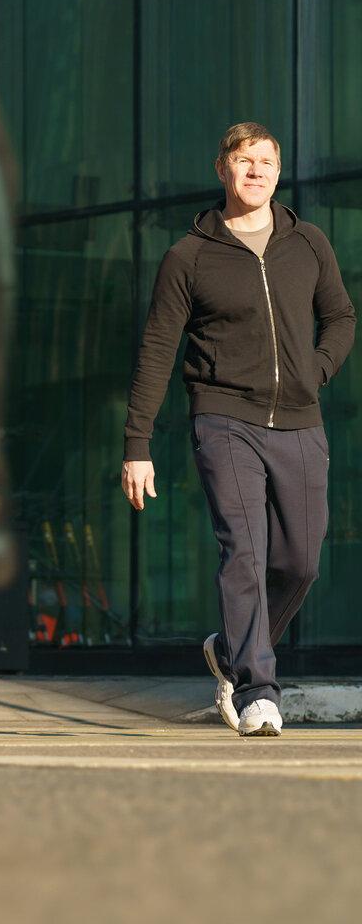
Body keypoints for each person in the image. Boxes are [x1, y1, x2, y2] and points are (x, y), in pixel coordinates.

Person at [121, 122, 356, 737]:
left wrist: (316, 370)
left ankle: (231, 649)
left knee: (301, 562)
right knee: (245, 552)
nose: (256, 171)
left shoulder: (308, 242)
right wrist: (137, 445)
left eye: (267, 162)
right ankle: (257, 689)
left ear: (278, 173)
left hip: (301, 420)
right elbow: (157, 351)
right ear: (222, 169)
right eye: (244, 160)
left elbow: (340, 316)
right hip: (224, 417)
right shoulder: (189, 257)